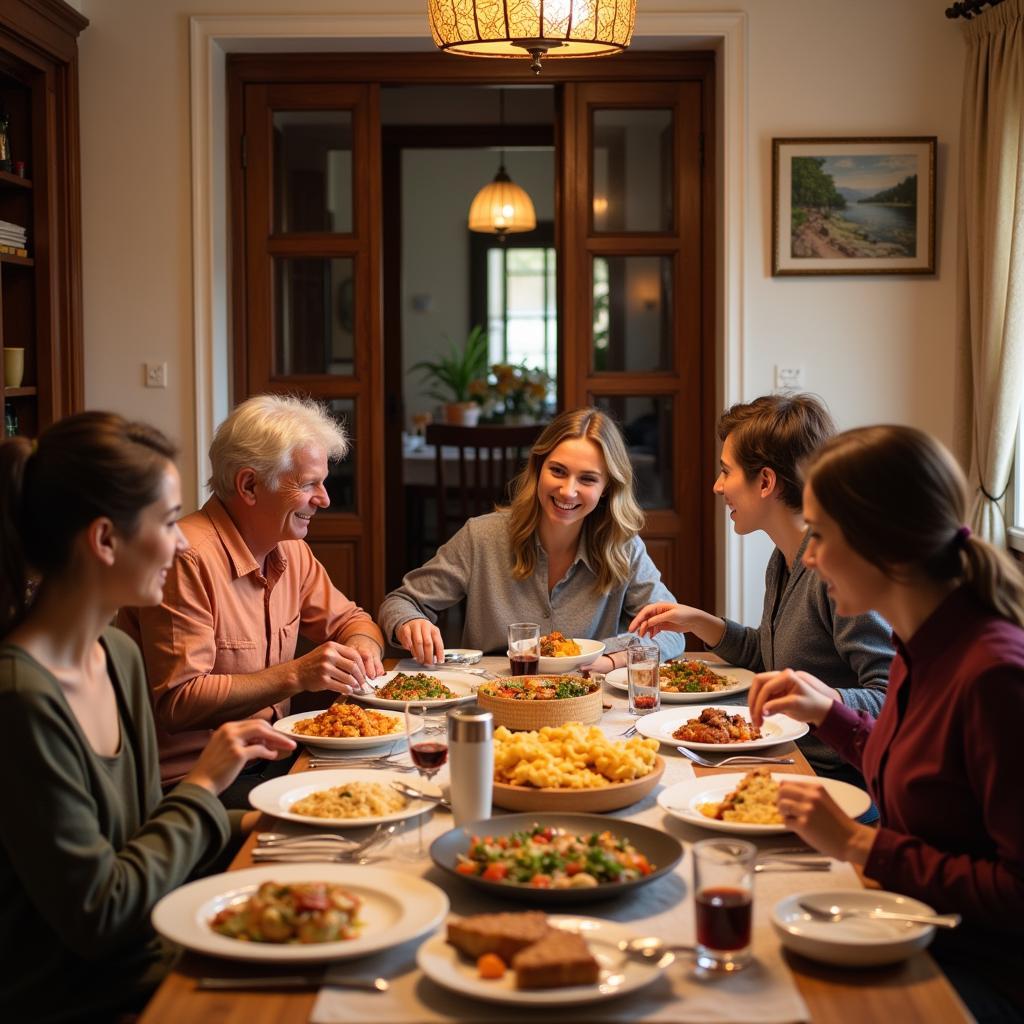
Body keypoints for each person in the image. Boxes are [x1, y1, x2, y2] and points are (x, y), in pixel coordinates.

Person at [0, 413, 296, 1023]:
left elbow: (141, 833)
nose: (185, 541)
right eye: (167, 521)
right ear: (105, 540)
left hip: (154, 956)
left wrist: (279, 821)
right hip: (86, 999)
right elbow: (101, 916)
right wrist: (205, 783)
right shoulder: (20, 698)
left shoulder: (119, 656)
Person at [749, 425, 1024, 1023]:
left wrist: (857, 843)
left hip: (979, 977)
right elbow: (927, 775)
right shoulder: (922, 641)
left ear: (885, 543)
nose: (811, 555)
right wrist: (831, 715)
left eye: (820, 533)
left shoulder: (994, 675)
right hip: (912, 925)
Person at [119, 395, 385, 802]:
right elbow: (178, 702)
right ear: (249, 485)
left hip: (276, 759)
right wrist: (296, 674)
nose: (325, 499)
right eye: (309, 483)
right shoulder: (186, 558)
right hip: (194, 785)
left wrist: (362, 650)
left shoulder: (289, 548)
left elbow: (354, 621)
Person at [629, 394, 893, 782]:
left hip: (835, 779)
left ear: (766, 481)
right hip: (788, 757)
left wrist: (820, 702)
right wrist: (701, 622)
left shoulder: (835, 570)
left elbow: (890, 698)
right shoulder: (784, 558)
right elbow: (777, 661)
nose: (718, 487)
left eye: (726, 471)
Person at [378, 407, 684, 672]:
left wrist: (613, 660)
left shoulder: (623, 547)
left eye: (587, 479)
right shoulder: (482, 536)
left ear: (606, 488)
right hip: (496, 701)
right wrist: (410, 624)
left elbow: (672, 630)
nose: (568, 491)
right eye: (558, 471)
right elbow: (401, 602)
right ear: (538, 468)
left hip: (588, 706)